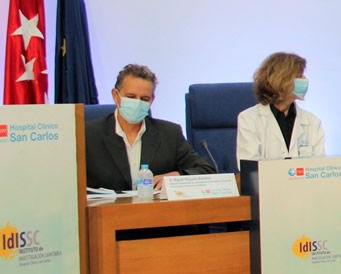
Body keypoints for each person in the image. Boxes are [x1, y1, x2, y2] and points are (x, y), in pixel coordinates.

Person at [85, 64, 216, 191]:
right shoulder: (88, 134)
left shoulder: (169, 133)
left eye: (144, 99)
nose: (137, 103)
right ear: (115, 96)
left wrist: (178, 176)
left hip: (154, 205)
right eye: (131, 97)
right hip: (107, 206)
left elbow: (207, 170)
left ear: (152, 100)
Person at [236, 52, 326, 163]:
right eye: (299, 76)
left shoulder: (313, 121)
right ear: (281, 79)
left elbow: (320, 166)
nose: (305, 79)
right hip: (266, 175)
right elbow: (250, 167)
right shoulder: (249, 119)